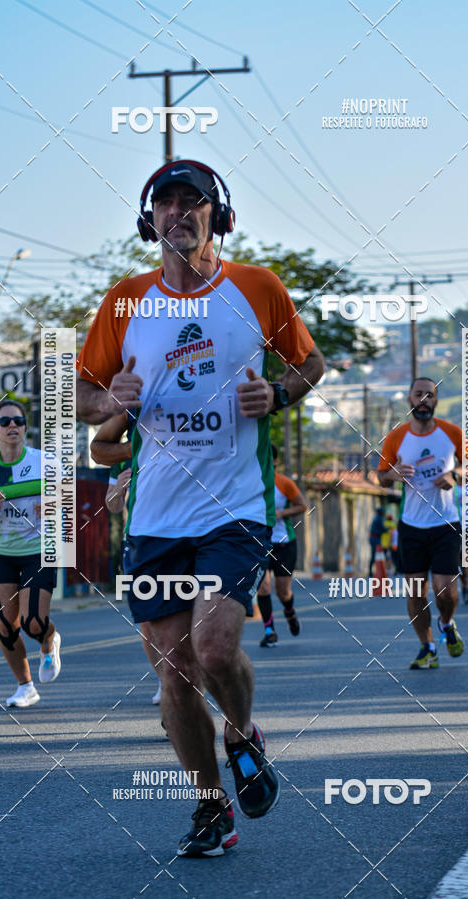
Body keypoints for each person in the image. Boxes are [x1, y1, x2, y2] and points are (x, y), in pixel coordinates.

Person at [76, 159, 324, 857]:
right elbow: (80, 394)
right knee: (175, 674)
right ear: (148, 221)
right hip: (154, 518)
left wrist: (277, 394)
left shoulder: (257, 288)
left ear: (220, 216)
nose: (178, 213)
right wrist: (108, 401)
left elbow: (310, 364)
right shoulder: (125, 302)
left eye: (194, 202)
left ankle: (243, 731)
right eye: (166, 203)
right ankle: (211, 806)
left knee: (215, 646)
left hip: (235, 507)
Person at [0, 400, 60, 707]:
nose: (13, 426)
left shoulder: (45, 461)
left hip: (39, 548)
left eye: (18, 421)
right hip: (0, 552)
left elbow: (70, 499)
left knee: (33, 621)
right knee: (7, 626)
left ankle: (48, 641)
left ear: (25, 427)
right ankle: (25, 687)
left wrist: (53, 505)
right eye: (5, 421)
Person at [377, 377, 465, 670]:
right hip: (411, 525)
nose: (424, 400)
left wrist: (455, 475)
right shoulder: (396, 437)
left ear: (436, 401)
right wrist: (394, 474)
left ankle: (447, 623)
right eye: (419, 394)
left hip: (446, 523)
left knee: (445, 591)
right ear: (409, 400)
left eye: (430, 395)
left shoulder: (452, 433)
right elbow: (380, 474)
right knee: (416, 591)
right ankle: (427, 647)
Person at [92, 412, 163, 705]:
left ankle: (186, 673)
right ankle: (165, 678)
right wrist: (120, 487)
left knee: (183, 618)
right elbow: (112, 505)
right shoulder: (122, 458)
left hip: (179, 538)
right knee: (148, 622)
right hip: (137, 542)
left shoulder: (182, 446)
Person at [258, 445, 308, 647]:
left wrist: (281, 514)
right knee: (263, 588)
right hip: (261, 543)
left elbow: (302, 506)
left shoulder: (284, 483)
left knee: (283, 591)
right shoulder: (250, 484)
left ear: (275, 462)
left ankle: (290, 612)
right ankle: (269, 631)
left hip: (284, 543)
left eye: (268, 459)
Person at [368, 506, 384, 574]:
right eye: (382, 511)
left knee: (374, 554)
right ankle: (377, 571)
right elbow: (382, 529)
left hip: (373, 538)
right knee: (377, 554)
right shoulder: (379, 518)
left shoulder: (376, 517)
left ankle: (373, 571)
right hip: (376, 538)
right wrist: (388, 529)